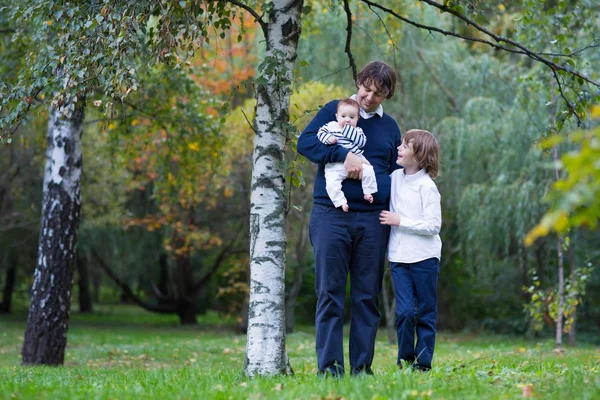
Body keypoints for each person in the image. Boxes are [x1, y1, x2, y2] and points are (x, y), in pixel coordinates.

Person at [297, 60, 401, 376]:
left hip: (373, 220)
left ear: (386, 95)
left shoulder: (390, 127)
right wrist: (344, 155)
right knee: (329, 294)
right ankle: (329, 368)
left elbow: (396, 173)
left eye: (377, 93)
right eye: (366, 89)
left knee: (366, 296)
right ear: (358, 82)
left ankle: (361, 369)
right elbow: (306, 143)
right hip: (331, 216)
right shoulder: (335, 111)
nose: (368, 97)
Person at [379, 129, 442, 372]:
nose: (399, 149)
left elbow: (433, 225)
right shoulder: (394, 177)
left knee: (426, 312)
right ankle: (405, 361)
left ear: (419, 156)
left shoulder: (427, 187)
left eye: (405, 146)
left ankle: (423, 364)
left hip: (425, 258)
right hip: (399, 258)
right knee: (405, 312)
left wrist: (400, 220)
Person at [317, 98, 377, 212]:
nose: (347, 120)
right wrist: (328, 138)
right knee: (331, 182)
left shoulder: (358, 131)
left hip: (357, 158)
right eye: (343, 116)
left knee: (369, 170)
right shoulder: (331, 126)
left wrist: (348, 130)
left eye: (352, 117)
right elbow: (320, 133)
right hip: (335, 163)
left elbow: (361, 142)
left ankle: (368, 191)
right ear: (337, 116)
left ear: (357, 118)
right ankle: (341, 202)